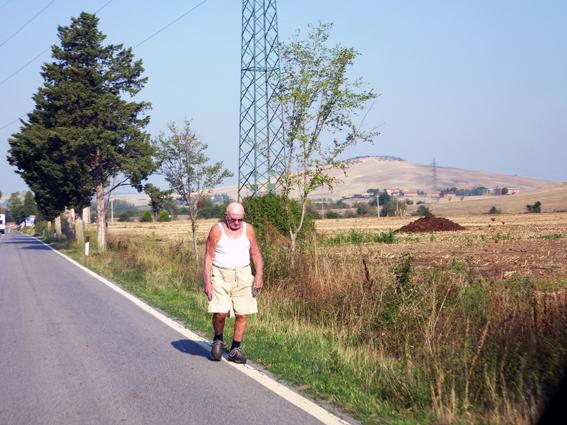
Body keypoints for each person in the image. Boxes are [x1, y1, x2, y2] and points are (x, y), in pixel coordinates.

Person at [203, 202, 263, 364]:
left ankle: (235, 349)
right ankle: (218, 339)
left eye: (240, 219)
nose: (237, 223)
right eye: (233, 219)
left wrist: (259, 275)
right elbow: (208, 256)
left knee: (242, 313)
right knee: (220, 312)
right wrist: (207, 281)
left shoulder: (248, 229)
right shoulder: (217, 230)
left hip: (243, 273)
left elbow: (256, 253)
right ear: (226, 216)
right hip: (220, 274)